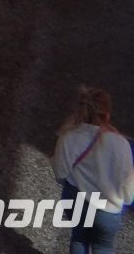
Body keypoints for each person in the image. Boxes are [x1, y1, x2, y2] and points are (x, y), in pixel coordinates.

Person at [52, 85, 134, 254]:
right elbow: (128, 188)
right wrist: (125, 200)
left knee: (79, 238)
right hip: (108, 210)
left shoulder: (69, 137)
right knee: (103, 247)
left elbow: (60, 173)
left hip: (76, 200)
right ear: (107, 114)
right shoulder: (121, 144)